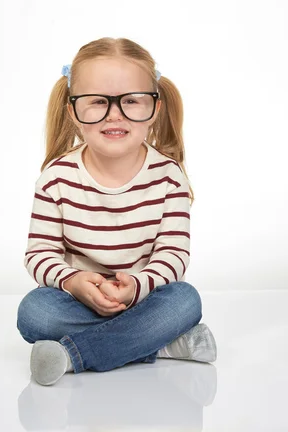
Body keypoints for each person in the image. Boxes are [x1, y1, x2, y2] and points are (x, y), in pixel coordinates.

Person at [16, 37, 217, 386]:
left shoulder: (169, 178)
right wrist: (74, 282)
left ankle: (71, 355)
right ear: (73, 112)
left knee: (185, 301)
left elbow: (173, 254)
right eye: (97, 102)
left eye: (131, 101)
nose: (114, 114)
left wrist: (137, 286)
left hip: (147, 300)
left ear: (153, 108)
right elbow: (40, 254)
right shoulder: (55, 180)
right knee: (35, 312)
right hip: (80, 302)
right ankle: (162, 345)